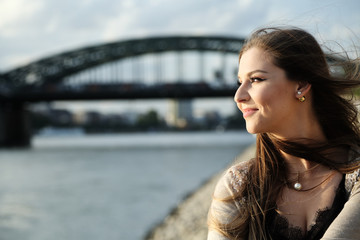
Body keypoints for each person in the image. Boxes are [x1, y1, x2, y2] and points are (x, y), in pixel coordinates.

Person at [207, 27, 360, 240]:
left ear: (301, 84)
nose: (238, 96)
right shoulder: (238, 187)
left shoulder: (355, 177)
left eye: (256, 79)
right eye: (240, 82)